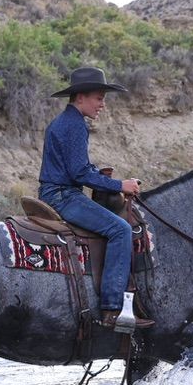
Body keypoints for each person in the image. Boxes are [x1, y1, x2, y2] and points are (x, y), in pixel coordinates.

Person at [38, 65, 153, 329]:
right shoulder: (75, 125)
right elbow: (78, 173)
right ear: (81, 97)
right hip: (63, 196)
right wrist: (119, 185)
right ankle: (113, 310)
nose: (102, 104)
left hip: (54, 191)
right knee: (121, 230)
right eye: (99, 98)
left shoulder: (63, 122)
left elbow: (76, 167)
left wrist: (104, 178)